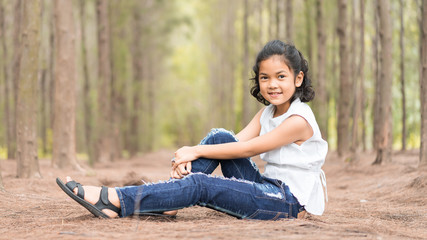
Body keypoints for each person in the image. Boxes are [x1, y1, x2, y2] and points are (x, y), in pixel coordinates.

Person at [57, 40, 328, 220]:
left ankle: (114, 199)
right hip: (268, 187)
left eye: (281, 77)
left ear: (298, 78)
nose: (272, 85)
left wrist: (192, 150)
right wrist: (188, 158)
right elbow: (231, 143)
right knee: (220, 135)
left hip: (287, 202)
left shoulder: (298, 120)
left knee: (200, 185)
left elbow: (248, 149)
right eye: (265, 77)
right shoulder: (268, 112)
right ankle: (170, 199)